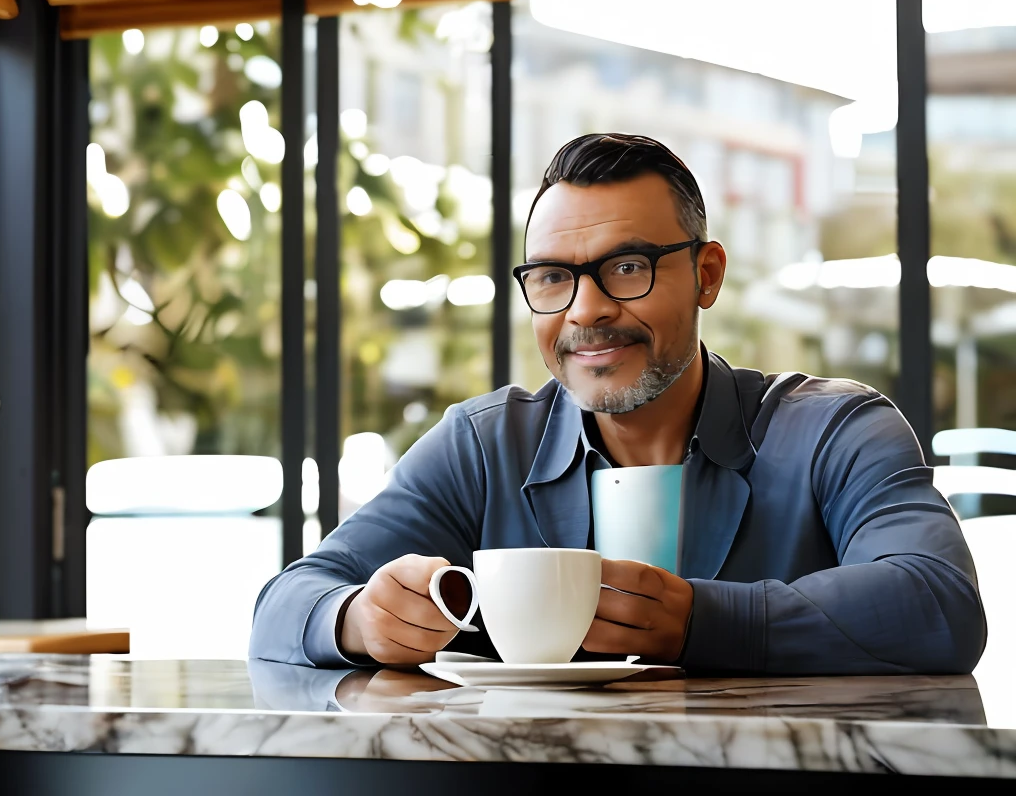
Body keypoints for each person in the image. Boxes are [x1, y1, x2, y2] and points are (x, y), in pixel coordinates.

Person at [250, 133, 984, 674]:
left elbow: (939, 604)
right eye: (551, 278)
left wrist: (697, 621)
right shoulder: (484, 445)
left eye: (626, 267)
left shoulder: (834, 430)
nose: (586, 311)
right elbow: (289, 602)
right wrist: (358, 618)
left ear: (707, 274)